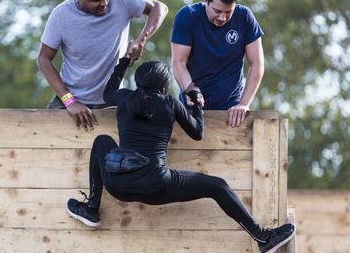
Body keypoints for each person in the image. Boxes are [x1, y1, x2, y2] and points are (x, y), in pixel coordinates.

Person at [66, 55, 295, 253]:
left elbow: (109, 92)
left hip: (117, 185)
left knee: (101, 142)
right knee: (219, 186)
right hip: (155, 186)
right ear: (164, 86)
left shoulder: (125, 98)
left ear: (138, 82)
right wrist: (196, 102)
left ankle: (91, 208)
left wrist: (125, 62)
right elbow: (197, 133)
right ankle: (263, 238)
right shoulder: (170, 103)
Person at [37, 0, 168, 131]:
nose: (105, 2)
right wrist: (69, 101)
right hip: (71, 101)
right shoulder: (60, 16)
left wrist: (141, 40)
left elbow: (160, 8)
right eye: (96, 0)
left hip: (111, 100)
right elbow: (43, 59)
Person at [171, 0, 264, 128]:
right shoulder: (187, 16)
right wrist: (189, 90)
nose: (222, 17)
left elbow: (257, 64)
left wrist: (244, 103)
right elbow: (179, 63)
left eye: (229, 12)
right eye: (217, 11)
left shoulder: (245, 17)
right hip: (193, 109)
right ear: (205, 0)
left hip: (232, 111)